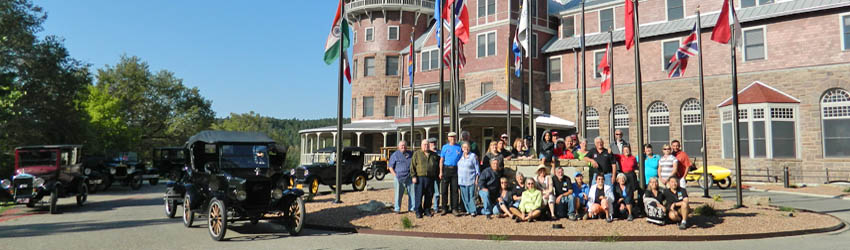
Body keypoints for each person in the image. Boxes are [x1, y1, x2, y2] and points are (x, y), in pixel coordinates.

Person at [411, 139, 439, 218]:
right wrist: (413, 176)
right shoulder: (417, 154)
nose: (426, 146)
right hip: (420, 178)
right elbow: (412, 166)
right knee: (419, 195)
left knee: (429, 195)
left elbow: (437, 166)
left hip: (430, 178)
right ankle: (418, 211)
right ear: (421, 145)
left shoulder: (434, 155)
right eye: (424, 144)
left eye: (427, 144)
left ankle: (427, 210)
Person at [439, 132, 463, 216]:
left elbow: (462, 159)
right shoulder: (445, 147)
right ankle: (444, 208)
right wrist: (441, 172)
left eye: (454, 137)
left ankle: (454, 208)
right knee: (444, 190)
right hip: (446, 169)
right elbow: (441, 160)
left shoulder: (459, 147)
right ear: (448, 138)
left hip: (456, 170)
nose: (453, 138)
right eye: (451, 137)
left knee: (455, 190)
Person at [388, 141, 414, 213]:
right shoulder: (395, 155)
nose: (403, 147)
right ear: (398, 147)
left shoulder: (411, 154)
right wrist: (395, 176)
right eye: (402, 146)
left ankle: (412, 208)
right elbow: (390, 167)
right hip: (399, 178)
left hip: (409, 177)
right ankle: (397, 209)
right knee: (398, 194)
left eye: (404, 145)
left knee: (412, 194)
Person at [457, 142, 480, 217]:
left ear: (469, 148)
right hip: (462, 180)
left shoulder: (473, 156)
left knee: (471, 196)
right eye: (464, 147)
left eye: (467, 147)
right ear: (462, 148)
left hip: (471, 180)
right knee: (464, 197)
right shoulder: (460, 156)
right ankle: (468, 210)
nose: (465, 148)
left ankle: (473, 211)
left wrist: (476, 179)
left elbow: (477, 169)